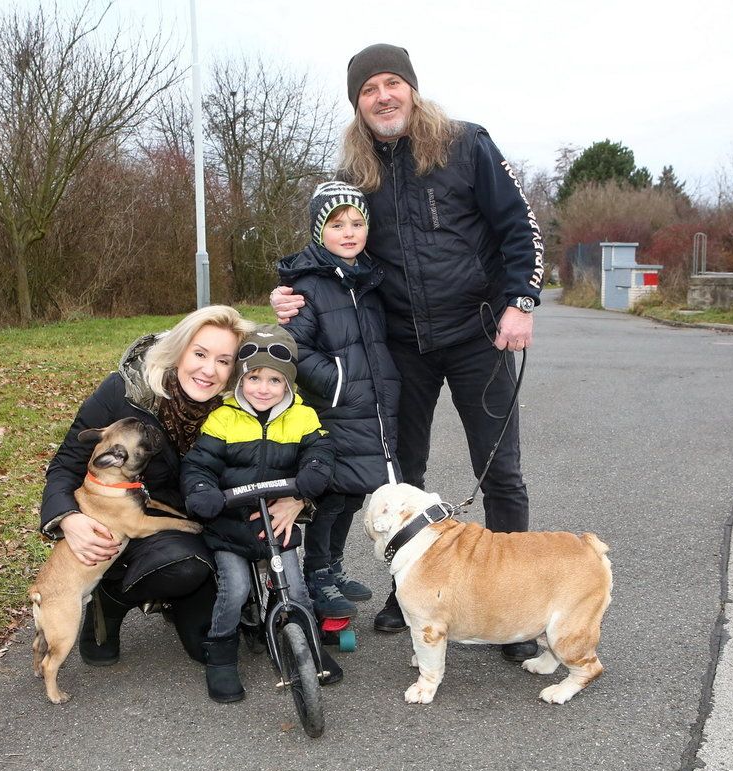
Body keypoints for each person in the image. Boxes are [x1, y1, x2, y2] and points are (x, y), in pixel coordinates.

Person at [270, 43, 545, 662]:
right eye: (369, 90)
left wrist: (520, 302)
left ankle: (512, 602)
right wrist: (293, 294)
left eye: (392, 83)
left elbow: (518, 229)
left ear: (412, 90)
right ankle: (410, 587)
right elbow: (334, 245)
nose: (383, 96)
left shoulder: (466, 144)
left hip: (480, 334)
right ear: (358, 105)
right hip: (402, 347)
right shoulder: (359, 170)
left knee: (500, 473)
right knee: (400, 473)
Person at [39, 305, 254, 669]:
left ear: (234, 369)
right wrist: (66, 518)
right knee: (183, 568)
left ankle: (179, 593)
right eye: (199, 354)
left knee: (210, 645)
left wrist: (294, 499)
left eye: (223, 360)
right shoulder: (124, 393)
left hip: (191, 525)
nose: (208, 370)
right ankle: (108, 599)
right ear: (179, 349)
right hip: (123, 522)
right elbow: (65, 465)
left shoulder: (240, 406)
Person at [180, 325, 339, 703]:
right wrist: (202, 490)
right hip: (230, 524)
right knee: (234, 590)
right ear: (241, 378)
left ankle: (307, 642)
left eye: (274, 380)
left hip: (276, 520)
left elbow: (320, 452)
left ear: (288, 383)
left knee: (295, 589)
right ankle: (220, 653)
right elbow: (198, 465)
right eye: (253, 378)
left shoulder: (302, 417)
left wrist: (311, 474)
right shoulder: (223, 419)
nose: (263, 388)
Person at [276, 181, 400, 622]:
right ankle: (316, 575)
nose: (348, 232)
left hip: (367, 407)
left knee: (351, 493)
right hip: (334, 406)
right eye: (336, 224)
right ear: (318, 231)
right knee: (330, 494)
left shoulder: (366, 278)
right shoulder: (309, 284)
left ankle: (332, 565)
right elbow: (295, 346)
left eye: (356, 223)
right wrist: (339, 382)